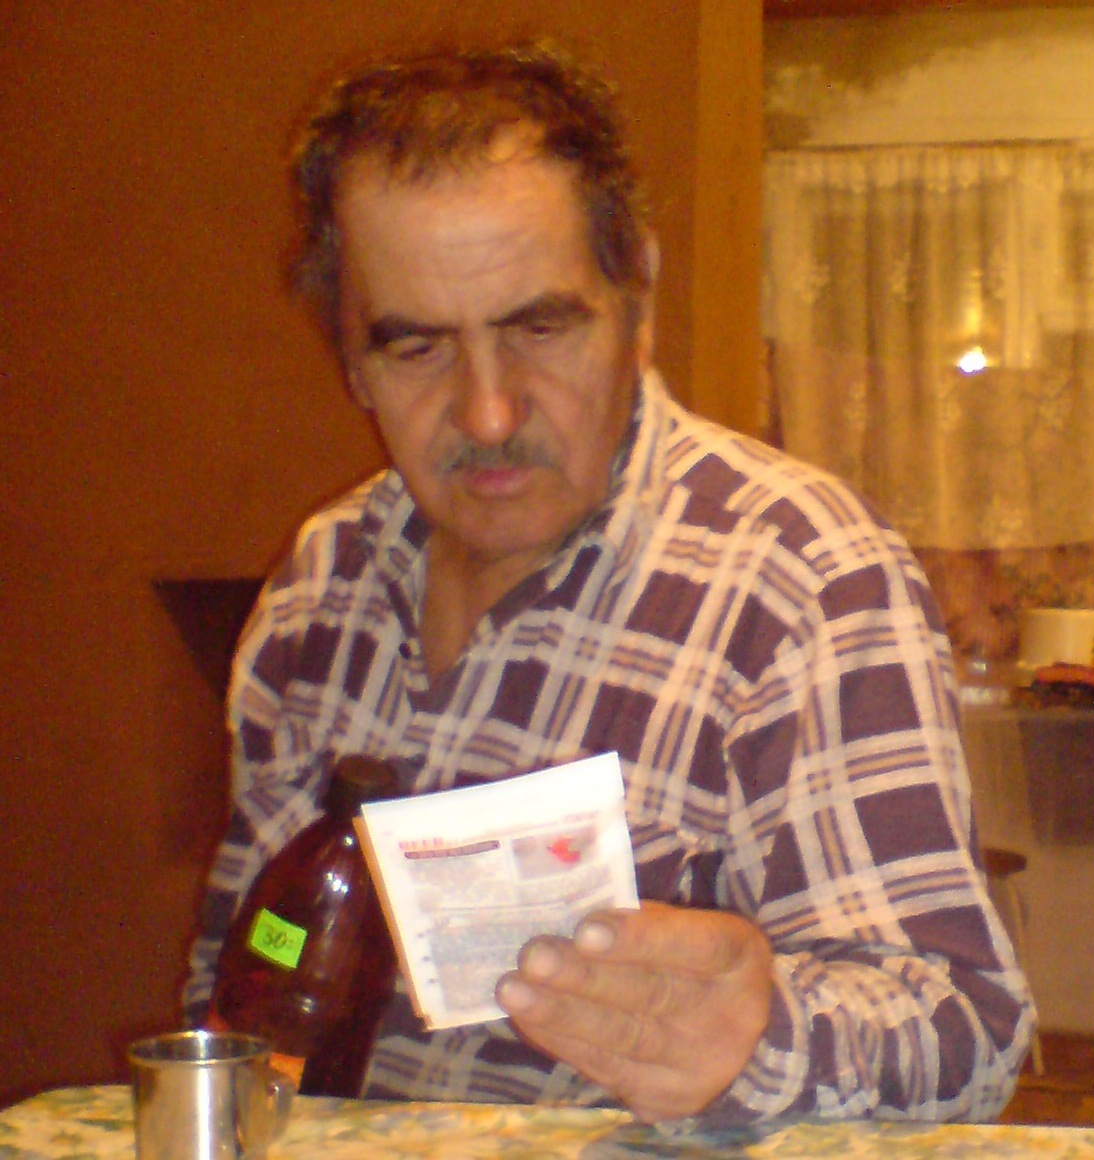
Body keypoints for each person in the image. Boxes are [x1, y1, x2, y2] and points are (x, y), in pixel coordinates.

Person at [184, 40, 1034, 1127]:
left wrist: (762, 1037)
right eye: (416, 349)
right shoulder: (317, 587)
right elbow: (239, 987)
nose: (489, 413)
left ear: (637, 299)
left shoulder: (801, 578)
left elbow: (967, 1031)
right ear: (350, 357)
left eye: (539, 328)